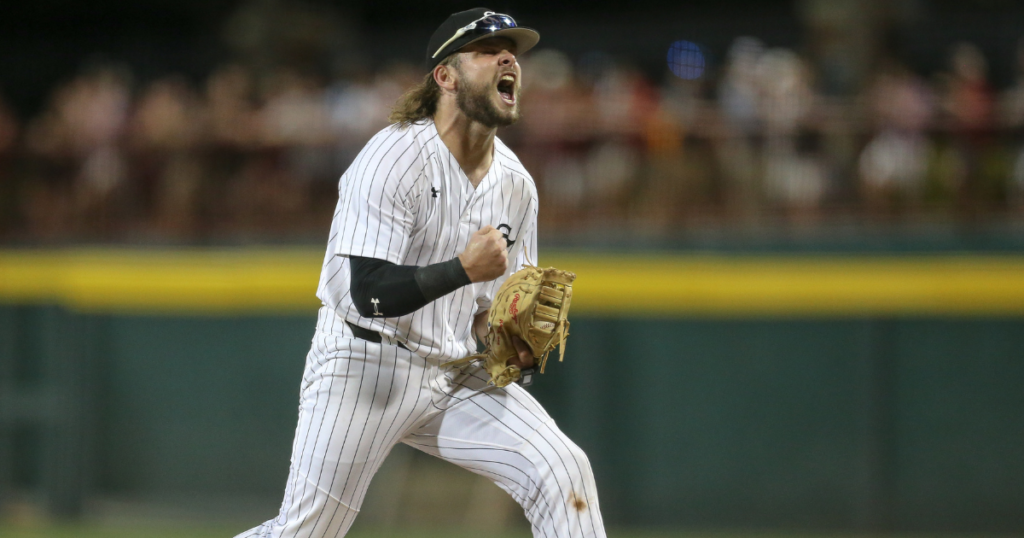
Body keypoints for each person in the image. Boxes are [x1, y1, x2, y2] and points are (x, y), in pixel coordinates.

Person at [234, 8, 606, 538]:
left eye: (512, 52)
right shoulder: (394, 157)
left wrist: (515, 347)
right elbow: (368, 293)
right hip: (364, 364)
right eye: (486, 49)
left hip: (455, 371)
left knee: (562, 469)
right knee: (306, 532)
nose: (508, 58)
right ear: (445, 77)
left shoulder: (517, 185)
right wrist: (461, 269)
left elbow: (490, 319)